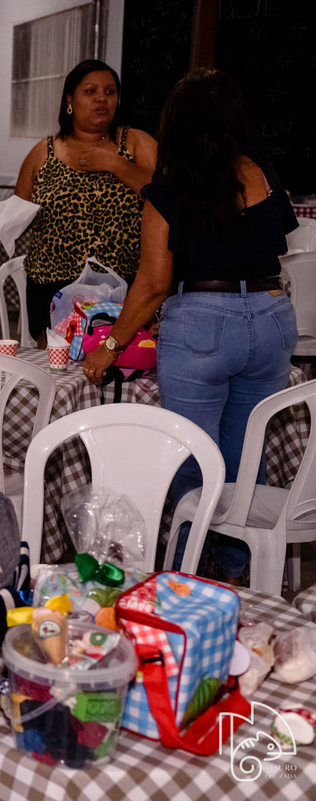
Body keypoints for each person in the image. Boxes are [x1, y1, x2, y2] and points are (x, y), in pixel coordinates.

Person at [81, 69, 298, 584]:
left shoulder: (168, 191)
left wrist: (110, 345)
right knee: (246, 452)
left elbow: (153, 284)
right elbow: (276, 238)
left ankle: (189, 572)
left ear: (175, 125)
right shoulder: (262, 171)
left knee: (190, 454)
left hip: (201, 323)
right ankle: (237, 569)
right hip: (271, 315)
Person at [15, 59, 157, 345]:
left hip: (121, 287)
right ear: (70, 99)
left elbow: (166, 195)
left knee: (118, 363)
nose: (102, 98)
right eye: (90, 91)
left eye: (110, 92)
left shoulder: (136, 143)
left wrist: (115, 164)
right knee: (56, 365)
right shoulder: (43, 151)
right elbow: (17, 212)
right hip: (51, 286)